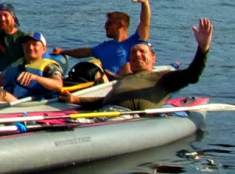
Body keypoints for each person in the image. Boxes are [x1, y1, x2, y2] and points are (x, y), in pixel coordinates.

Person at [68, 19, 214, 110]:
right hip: (107, 112)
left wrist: (203, 49)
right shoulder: (125, 78)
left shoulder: (164, 77)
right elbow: (106, 100)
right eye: (133, 53)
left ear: (153, 58)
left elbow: (193, 75)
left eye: (142, 52)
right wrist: (77, 100)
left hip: (130, 120)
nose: (137, 55)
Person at [53, 0, 152, 76]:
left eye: (109, 23)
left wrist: (145, 3)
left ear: (121, 24)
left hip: (125, 83)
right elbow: (84, 52)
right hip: (106, 86)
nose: (105, 26)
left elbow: (145, 23)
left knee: (127, 67)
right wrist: (63, 51)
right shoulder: (104, 47)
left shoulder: (134, 43)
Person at [0, 32, 65, 103]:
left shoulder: (50, 66)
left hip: (28, 106)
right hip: (9, 102)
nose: (30, 47)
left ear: (44, 48)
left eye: (35, 44)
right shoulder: (17, 64)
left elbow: (58, 85)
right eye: (27, 44)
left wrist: (36, 77)